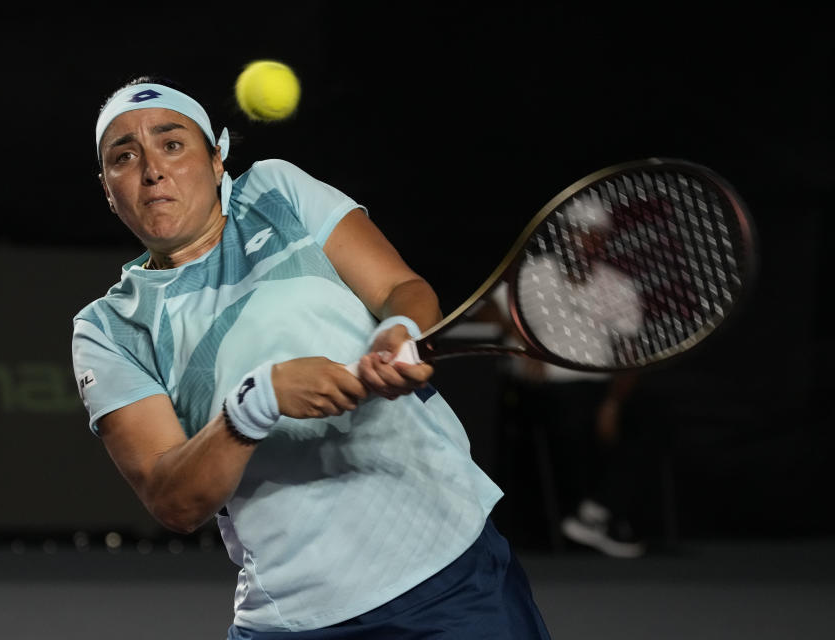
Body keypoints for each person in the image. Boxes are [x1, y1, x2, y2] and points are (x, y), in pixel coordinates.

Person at [71, 76, 550, 638]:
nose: (152, 170)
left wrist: (396, 333)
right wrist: (256, 403)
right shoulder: (107, 328)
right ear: (108, 188)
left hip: (451, 574)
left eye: (172, 144)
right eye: (124, 158)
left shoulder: (275, 191)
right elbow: (173, 500)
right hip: (295, 617)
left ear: (217, 158)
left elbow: (401, 290)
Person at [491, 195, 647, 558]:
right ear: (565, 236)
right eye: (581, 234)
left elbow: (629, 352)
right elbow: (489, 311)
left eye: (596, 236)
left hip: (601, 383)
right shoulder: (532, 275)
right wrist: (523, 344)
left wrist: (613, 403)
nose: (588, 242)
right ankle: (598, 515)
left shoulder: (618, 285)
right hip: (547, 384)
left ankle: (593, 513)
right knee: (572, 413)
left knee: (646, 417)